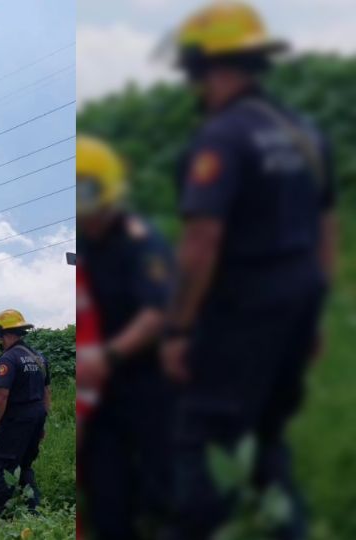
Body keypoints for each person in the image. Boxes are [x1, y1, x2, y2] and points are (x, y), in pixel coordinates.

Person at [160, 4, 336, 539]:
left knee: (196, 437)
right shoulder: (305, 133)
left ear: (201, 66)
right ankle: (287, 526)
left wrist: (180, 327)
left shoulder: (222, 137)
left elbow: (202, 241)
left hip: (242, 312)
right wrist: (314, 316)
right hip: (296, 304)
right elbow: (326, 230)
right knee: (267, 433)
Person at [76, 135, 176, 537]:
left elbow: (157, 313)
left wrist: (109, 356)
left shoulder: (140, 241)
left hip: (144, 382)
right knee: (108, 497)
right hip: (100, 396)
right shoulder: (86, 244)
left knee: (162, 492)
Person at [0, 309, 51, 517]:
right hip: (36, 418)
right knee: (25, 467)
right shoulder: (38, 358)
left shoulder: (8, 359)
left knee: (3, 469)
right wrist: (41, 425)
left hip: (16, 421)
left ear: (3, 334)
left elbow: (1, 397)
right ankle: (34, 513)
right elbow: (46, 393)